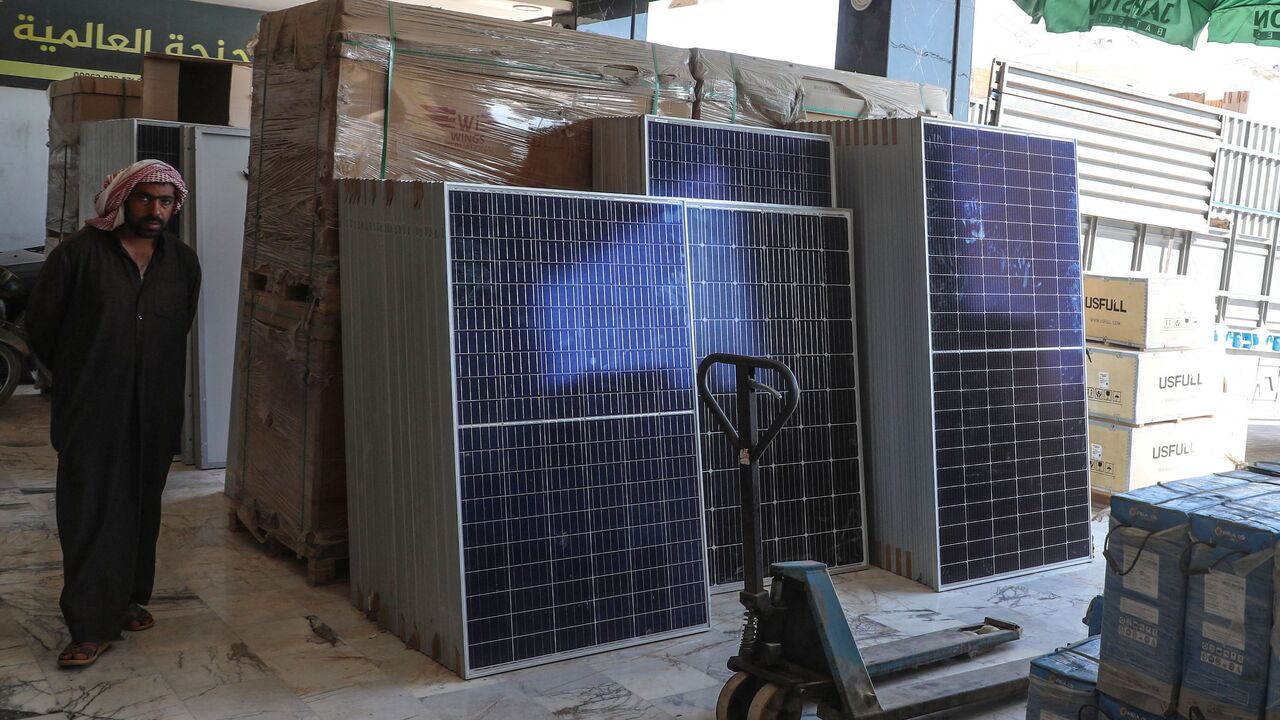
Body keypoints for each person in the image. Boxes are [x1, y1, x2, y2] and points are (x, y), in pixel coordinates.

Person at [25, 160, 201, 668]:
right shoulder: (78, 256)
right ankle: (89, 625)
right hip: (93, 407)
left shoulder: (182, 262)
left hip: (156, 406)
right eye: (145, 198)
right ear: (122, 199)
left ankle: (125, 599)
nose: (156, 210)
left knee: (143, 505)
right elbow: (43, 329)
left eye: (166, 201)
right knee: (91, 509)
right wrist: (84, 376)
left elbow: (179, 325)